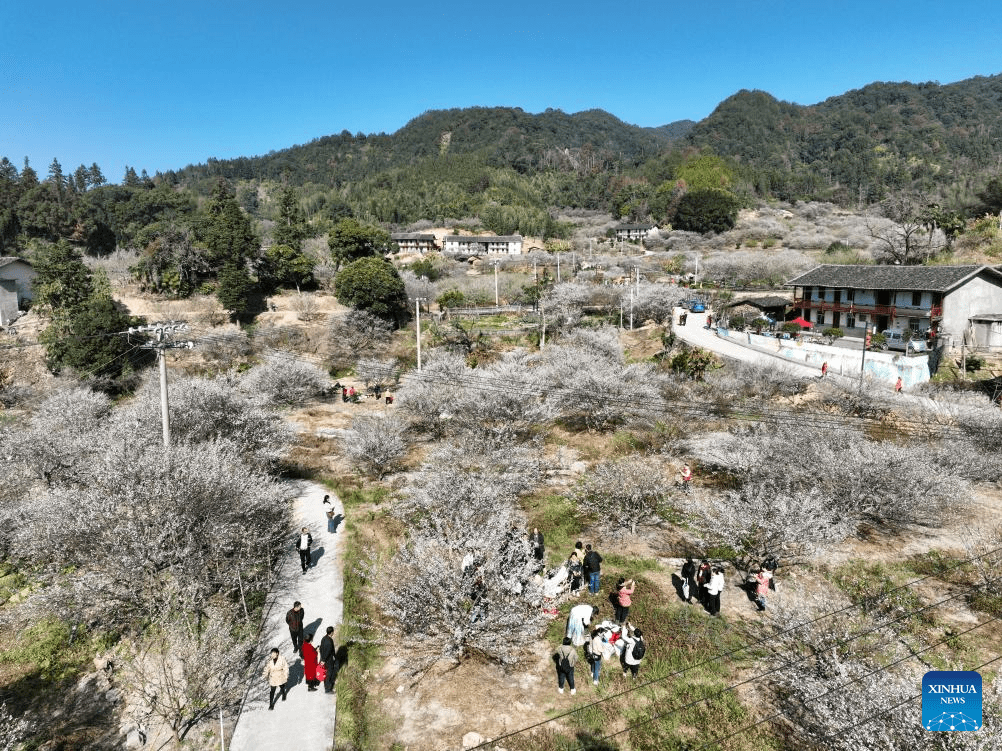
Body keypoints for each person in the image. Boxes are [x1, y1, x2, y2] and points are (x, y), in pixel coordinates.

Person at [319, 626, 337, 693]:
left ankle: (326, 686)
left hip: (323, 659)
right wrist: (324, 660)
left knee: (326, 673)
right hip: (328, 660)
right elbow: (328, 652)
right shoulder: (329, 641)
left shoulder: (323, 638)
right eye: (333, 632)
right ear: (331, 632)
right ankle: (328, 689)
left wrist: (322, 658)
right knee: (329, 674)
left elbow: (321, 648)